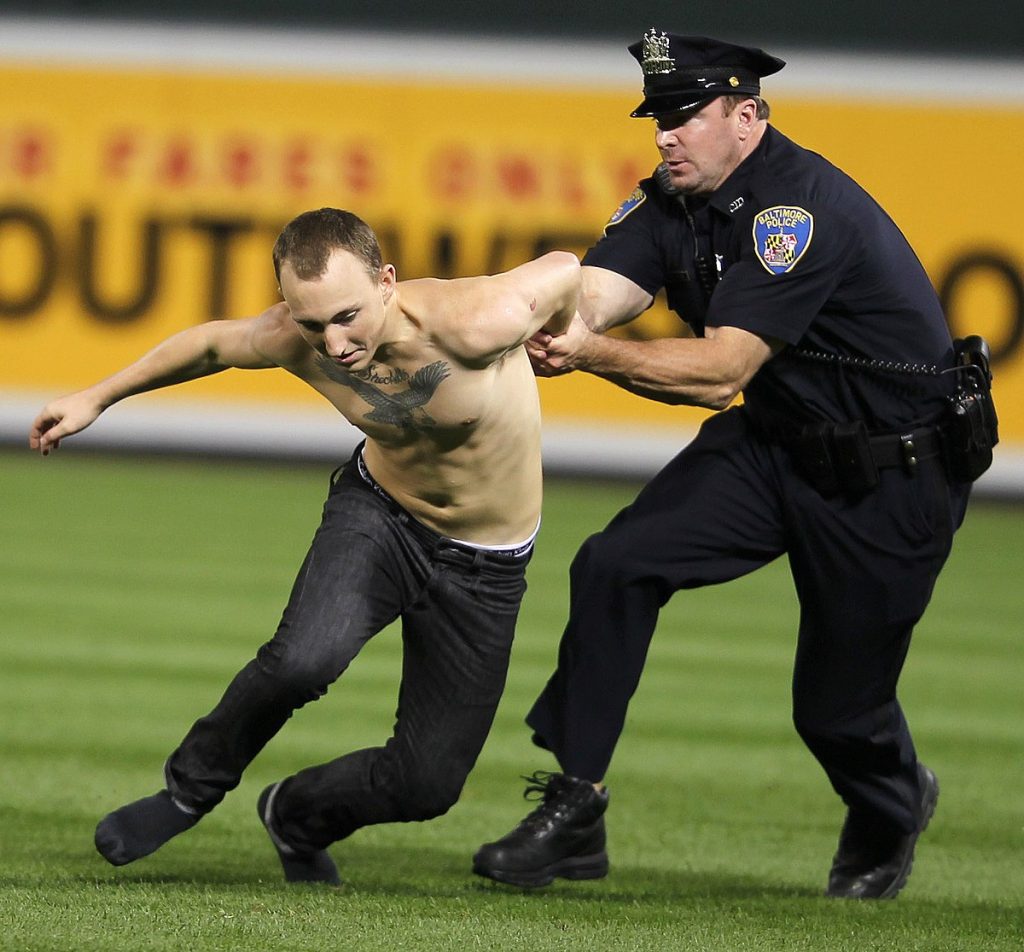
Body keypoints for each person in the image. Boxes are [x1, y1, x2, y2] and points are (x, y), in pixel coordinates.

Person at [472, 31, 992, 899]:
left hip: (890, 473)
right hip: (776, 444)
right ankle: (576, 806)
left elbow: (720, 373)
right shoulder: (673, 199)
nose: (666, 134)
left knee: (836, 711)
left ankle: (895, 800)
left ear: (747, 117)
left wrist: (588, 354)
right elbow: (598, 293)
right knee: (616, 563)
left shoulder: (797, 211)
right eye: (658, 118)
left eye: (686, 115)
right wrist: (525, 315)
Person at [29, 207, 580, 885]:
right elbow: (210, 346)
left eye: (347, 316)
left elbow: (565, 269)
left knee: (427, 785)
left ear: (386, 281)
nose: (335, 343)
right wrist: (96, 398)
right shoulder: (293, 337)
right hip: (381, 515)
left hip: (486, 565)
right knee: (302, 660)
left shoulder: (477, 322)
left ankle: (295, 816)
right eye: (313, 323)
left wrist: (570, 338)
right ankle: (187, 793)